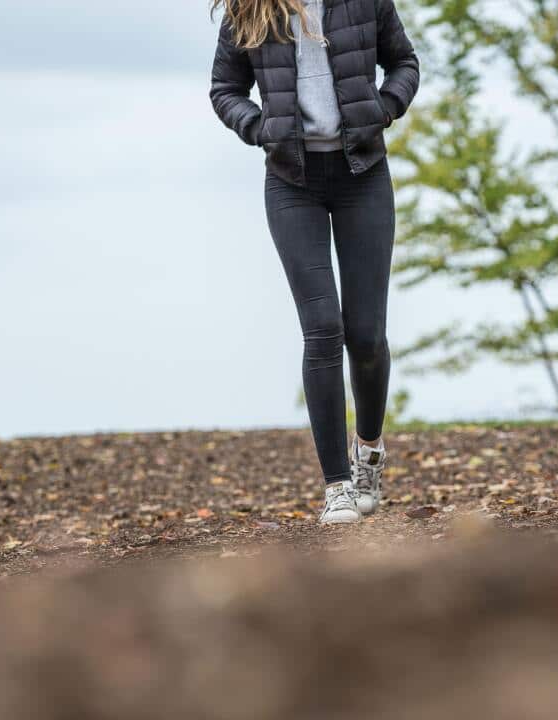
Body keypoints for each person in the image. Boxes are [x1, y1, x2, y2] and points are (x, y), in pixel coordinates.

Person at [209, 0, 419, 524]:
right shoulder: (251, 8)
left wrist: (386, 108)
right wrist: (259, 129)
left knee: (366, 334)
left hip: (363, 175)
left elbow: (404, 63)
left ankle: (368, 453)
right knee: (322, 328)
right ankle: (338, 487)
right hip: (291, 182)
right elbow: (224, 89)